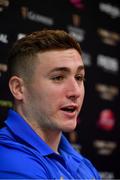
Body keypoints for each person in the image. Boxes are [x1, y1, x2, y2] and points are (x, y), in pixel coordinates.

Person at [0, 29, 101, 179]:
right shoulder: (9, 159)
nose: (75, 92)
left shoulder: (82, 163)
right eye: (58, 77)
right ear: (18, 88)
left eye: (79, 77)